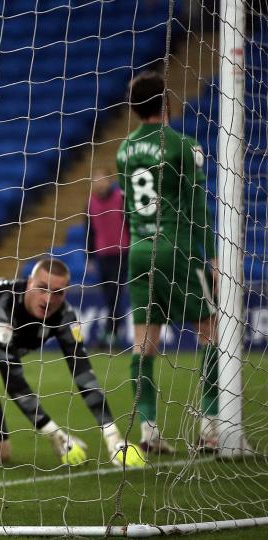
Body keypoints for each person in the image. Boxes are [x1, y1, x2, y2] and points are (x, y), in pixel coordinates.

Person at [0, 258, 146, 468]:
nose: (48, 299)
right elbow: (14, 383)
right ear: (29, 283)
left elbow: (83, 372)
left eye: (58, 292)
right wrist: (56, 435)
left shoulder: (63, 316)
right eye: (42, 288)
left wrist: (112, 436)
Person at [117, 71, 220, 454]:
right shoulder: (183, 146)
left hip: (140, 250)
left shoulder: (123, 149)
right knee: (210, 329)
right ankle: (210, 428)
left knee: (144, 344)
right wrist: (212, 255)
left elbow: (128, 209)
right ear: (167, 103)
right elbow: (197, 207)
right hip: (177, 246)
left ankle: (147, 430)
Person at [86, 167, 130, 348]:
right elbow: (89, 232)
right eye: (95, 180)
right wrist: (90, 256)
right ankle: (112, 333)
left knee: (115, 293)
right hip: (102, 255)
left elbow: (129, 223)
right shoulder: (90, 203)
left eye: (101, 179)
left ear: (109, 180)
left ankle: (111, 333)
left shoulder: (120, 198)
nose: (99, 183)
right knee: (107, 296)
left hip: (121, 253)